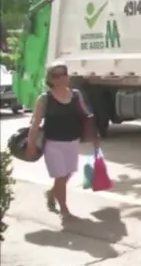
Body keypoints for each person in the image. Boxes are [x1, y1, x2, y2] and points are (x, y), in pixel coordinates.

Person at [26, 63, 100, 217]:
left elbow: (87, 116)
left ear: (68, 76)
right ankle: (64, 209)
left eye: (63, 74)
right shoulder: (44, 99)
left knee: (68, 173)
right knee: (60, 176)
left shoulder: (76, 95)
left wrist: (94, 136)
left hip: (72, 142)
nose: (60, 78)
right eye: (56, 76)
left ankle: (51, 194)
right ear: (50, 79)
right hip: (53, 144)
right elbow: (35, 124)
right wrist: (31, 144)